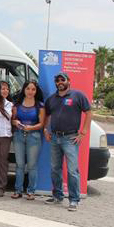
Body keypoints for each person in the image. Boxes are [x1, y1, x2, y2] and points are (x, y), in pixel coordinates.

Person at [44, 72, 92, 211]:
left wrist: (83, 132)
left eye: (62, 79)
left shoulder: (78, 95)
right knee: (55, 169)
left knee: (72, 171)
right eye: (57, 80)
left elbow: (88, 112)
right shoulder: (51, 99)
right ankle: (58, 196)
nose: (60, 82)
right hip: (54, 138)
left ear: (68, 81)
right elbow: (46, 115)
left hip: (70, 139)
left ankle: (74, 200)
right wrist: (46, 130)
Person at [11, 80, 45, 200]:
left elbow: (42, 124)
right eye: (28, 89)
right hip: (19, 136)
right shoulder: (17, 105)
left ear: (36, 91)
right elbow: (12, 120)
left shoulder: (40, 106)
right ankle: (18, 190)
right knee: (19, 165)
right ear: (24, 90)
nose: (30, 91)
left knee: (32, 165)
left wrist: (31, 127)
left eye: (33, 89)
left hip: (34, 137)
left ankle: (31, 191)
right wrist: (15, 122)